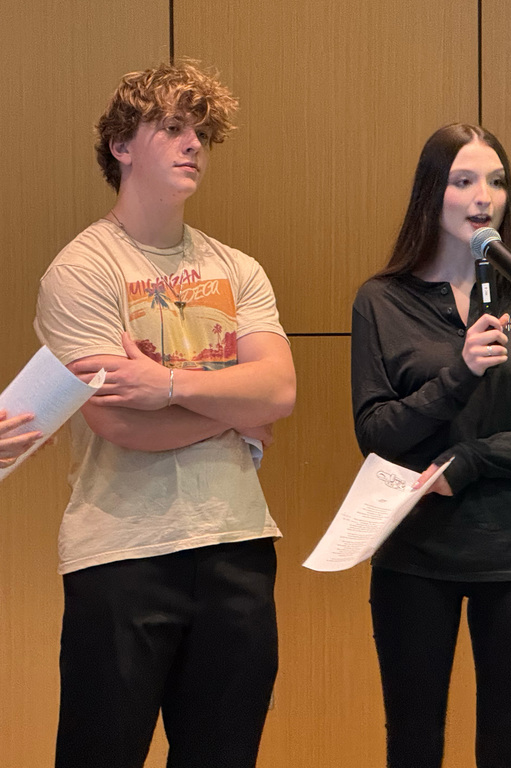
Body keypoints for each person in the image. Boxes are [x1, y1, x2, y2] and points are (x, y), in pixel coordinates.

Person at [33, 61, 295, 768]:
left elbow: (278, 390)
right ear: (121, 145)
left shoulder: (238, 267)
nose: (194, 146)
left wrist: (167, 382)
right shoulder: (83, 270)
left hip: (238, 544)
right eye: (173, 128)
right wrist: (228, 412)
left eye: (201, 132)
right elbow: (120, 424)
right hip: (121, 554)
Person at [351, 123, 511, 768]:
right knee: (413, 740)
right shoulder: (383, 301)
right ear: (432, 194)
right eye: (463, 181)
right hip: (414, 552)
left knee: (510, 744)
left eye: (496, 181)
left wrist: (475, 461)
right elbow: (375, 432)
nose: (483, 196)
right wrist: (457, 376)